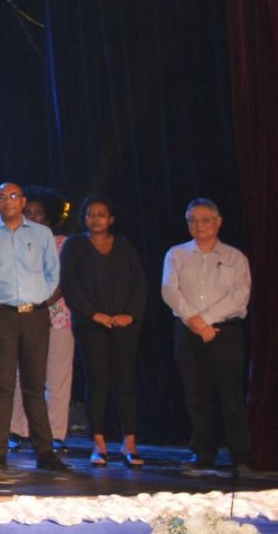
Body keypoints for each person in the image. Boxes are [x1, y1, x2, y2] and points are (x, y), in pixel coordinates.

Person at [0, 181, 69, 471]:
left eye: (13, 196)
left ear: (23, 201)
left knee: (35, 386)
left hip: (35, 315)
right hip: (0, 315)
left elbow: (53, 272)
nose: (8, 201)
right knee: (2, 386)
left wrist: (38, 297)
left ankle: (45, 453)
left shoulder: (41, 233)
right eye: (2, 197)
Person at [162, 198, 252, 478]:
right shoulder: (176, 254)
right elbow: (169, 290)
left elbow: (239, 296)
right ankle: (203, 454)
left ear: (218, 222)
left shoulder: (235, 257)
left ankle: (241, 457)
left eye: (204, 219)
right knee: (196, 395)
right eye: (192, 220)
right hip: (188, 331)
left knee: (230, 395)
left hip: (224, 331)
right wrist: (195, 321)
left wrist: (207, 322)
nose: (198, 225)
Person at [61, 196, 147, 468]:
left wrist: (129, 315)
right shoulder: (75, 245)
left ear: (111, 219)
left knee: (124, 382)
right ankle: (98, 444)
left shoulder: (124, 246)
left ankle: (129, 443)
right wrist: (94, 314)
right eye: (90, 214)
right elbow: (70, 285)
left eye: (101, 214)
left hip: (123, 325)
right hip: (91, 325)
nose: (96, 219)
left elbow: (139, 284)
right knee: (97, 382)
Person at [8, 187, 73, 451]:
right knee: (20, 375)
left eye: (39, 213)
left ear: (49, 217)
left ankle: (55, 433)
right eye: (29, 212)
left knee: (56, 377)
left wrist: (42, 303)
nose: (33, 217)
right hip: (21, 316)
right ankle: (18, 430)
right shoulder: (12, 242)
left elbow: (62, 280)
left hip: (57, 316)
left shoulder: (63, 243)